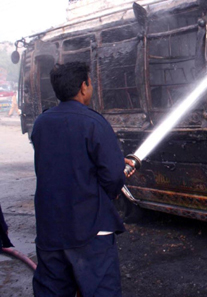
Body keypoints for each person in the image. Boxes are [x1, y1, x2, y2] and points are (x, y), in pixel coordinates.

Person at [31, 62, 135, 297]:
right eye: (90, 83)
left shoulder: (41, 123)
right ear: (83, 87)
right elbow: (111, 176)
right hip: (90, 231)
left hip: (50, 230)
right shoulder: (94, 122)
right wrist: (120, 174)